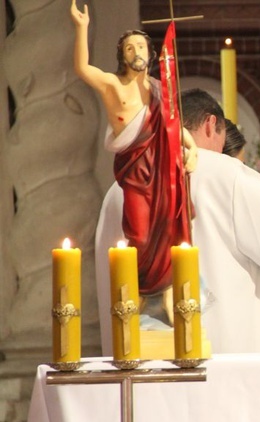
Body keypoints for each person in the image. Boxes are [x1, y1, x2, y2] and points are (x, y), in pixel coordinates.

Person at [96, 88, 260, 354]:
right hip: (223, 369)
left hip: (138, 364)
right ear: (211, 125)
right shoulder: (224, 174)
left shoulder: (118, 190)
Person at [71, 0, 195, 296]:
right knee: (138, 233)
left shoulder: (158, 88)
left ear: (150, 54)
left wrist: (193, 148)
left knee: (167, 231)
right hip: (136, 175)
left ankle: (165, 293)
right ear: (122, 56)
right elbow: (82, 68)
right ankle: (139, 291)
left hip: (162, 172)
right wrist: (82, 28)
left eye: (140, 46)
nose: (136, 52)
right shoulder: (114, 85)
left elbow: (173, 123)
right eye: (129, 48)